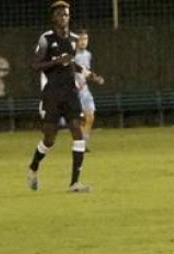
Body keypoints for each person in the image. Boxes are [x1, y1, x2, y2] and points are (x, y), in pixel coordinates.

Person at [27, 1, 89, 193]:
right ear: (54, 17)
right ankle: (33, 167)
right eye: (61, 14)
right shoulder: (46, 39)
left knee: (78, 133)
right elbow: (35, 65)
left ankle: (74, 183)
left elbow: (69, 63)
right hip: (52, 93)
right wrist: (55, 61)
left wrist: (86, 72)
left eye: (67, 14)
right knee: (49, 138)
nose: (64, 18)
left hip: (70, 92)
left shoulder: (74, 39)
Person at [73, 30, 104, 148]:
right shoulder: (72, 55)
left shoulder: (88, 55)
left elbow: (86, 72)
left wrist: (95, 78)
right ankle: (80, 143)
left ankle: (83, 142)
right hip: (74, 91)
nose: (83, 42)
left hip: (85, 90)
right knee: (82, 118)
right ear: (76, 41)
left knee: (90, 116)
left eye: (86, 39)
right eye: (81, 39)